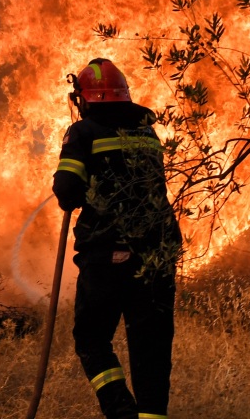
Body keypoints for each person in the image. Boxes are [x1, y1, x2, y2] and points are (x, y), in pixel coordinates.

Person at [52, 58, 183, 419]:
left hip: (108, 253)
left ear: (86, 98)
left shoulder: (83, 132)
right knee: (152, 349)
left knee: (92, 340)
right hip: (157, 253)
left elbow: (67, 191)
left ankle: (121, 411)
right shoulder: (147, 132)